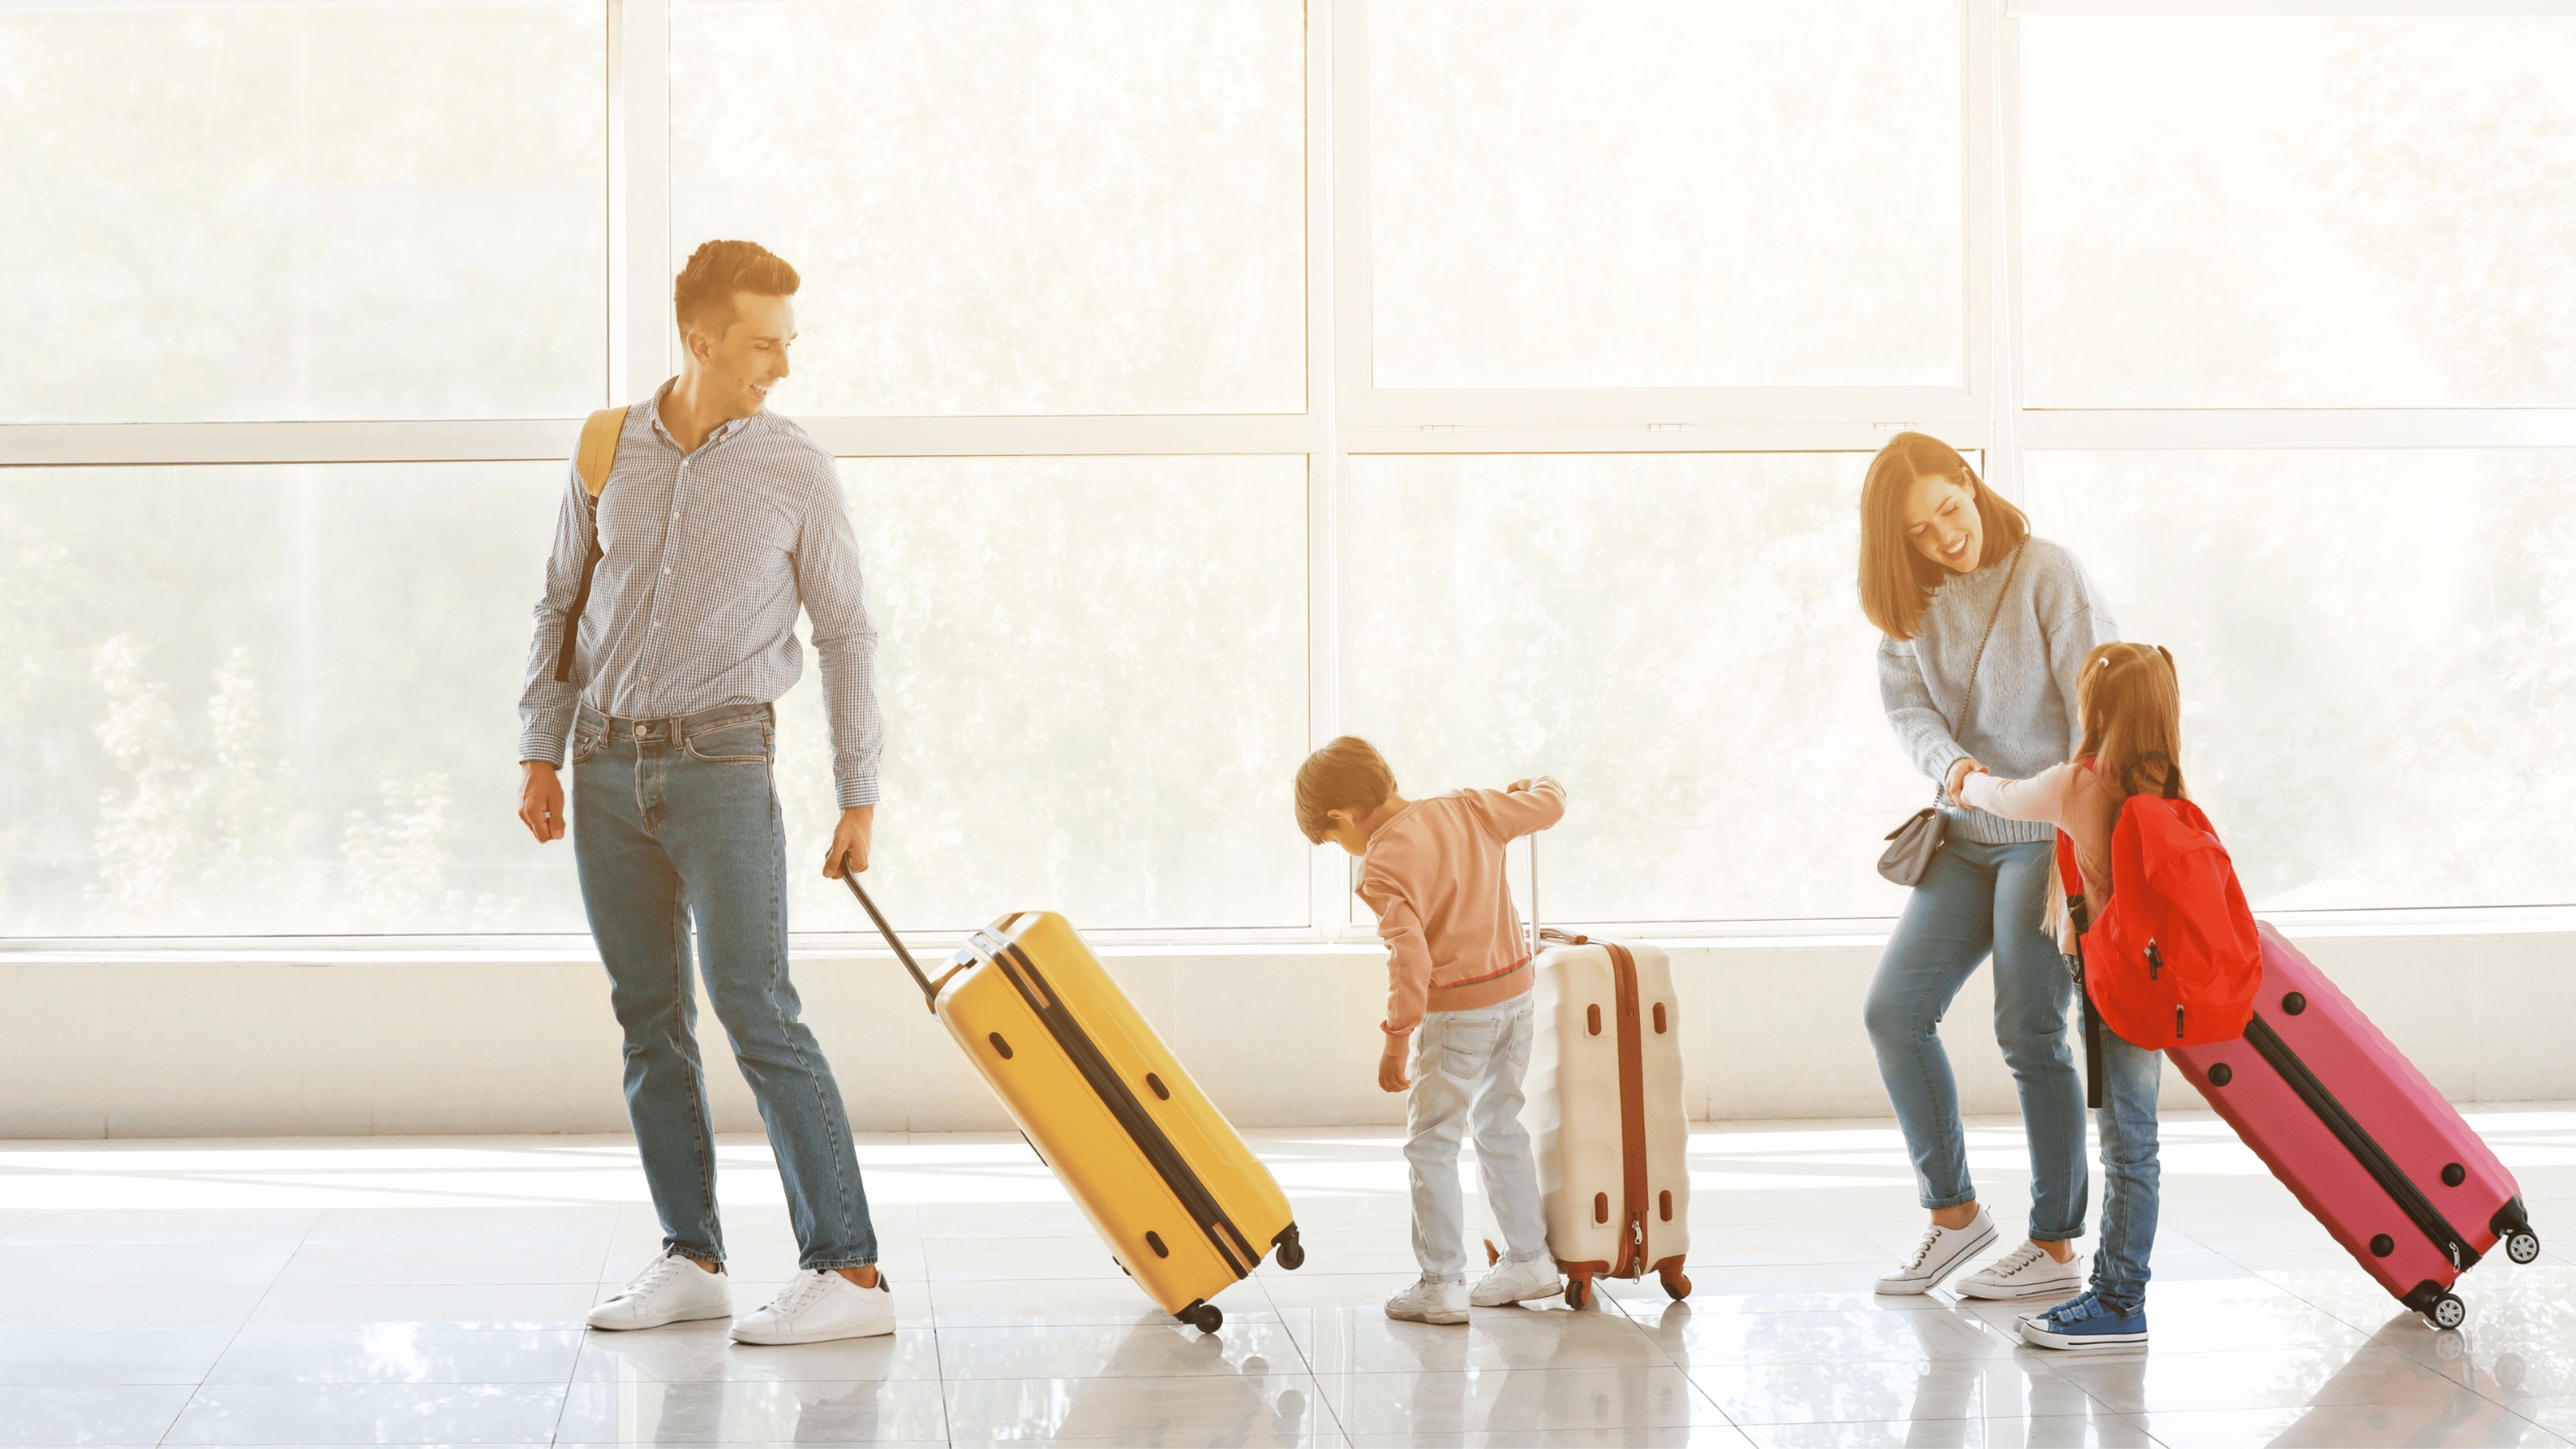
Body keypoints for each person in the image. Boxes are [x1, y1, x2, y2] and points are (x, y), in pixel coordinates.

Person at [514, 240, 893, 1345]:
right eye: (764, 341)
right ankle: (693, 1255)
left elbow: (847, 631)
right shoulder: (605, 445)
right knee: (650, 1021)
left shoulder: (795, 466)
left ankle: (850, 1271)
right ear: (702, 336)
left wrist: (857, 792)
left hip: (727, 762)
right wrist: (541, 749)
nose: (782, 363)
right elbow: (558, 604)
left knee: (755, 1007)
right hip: (602, 764)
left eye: (788, 341)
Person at [1858, 432, 2117, 1300]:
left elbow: (2098, 704)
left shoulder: (2049, 572)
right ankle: (1955, 1218)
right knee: (1894, 1012)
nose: (1946, 537)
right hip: (1964, 830)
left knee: (2028, 1030)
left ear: (1970, 482)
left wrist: (2082, 838)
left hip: (2045, 837)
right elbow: (1908, 711)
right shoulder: (1911, 604)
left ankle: (2053, 1246)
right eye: (1922, 533)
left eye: (1949, 509)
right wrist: (1956, 770)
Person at [1959, 642, 2189, 1349]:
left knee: (2127, 1144)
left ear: (2095, 708)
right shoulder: (2169, 787)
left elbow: (1999, 798)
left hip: (2113, 981)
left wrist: (1963, 778)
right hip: (2159, 979)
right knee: (2136, 1141)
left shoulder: (2078, 783)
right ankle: (2115, 1293)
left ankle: (2119, 1301)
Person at [1296, 736, 1566, 1324]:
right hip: (1517, 998)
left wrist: (1396, 1038)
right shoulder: (1470, 807)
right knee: (1500, 1124)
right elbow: (1549, 805)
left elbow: (1411, 964)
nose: (1344, 850)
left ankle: (1442, 1282)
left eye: (1334, 839)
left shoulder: (1380, 866)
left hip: (1457, 1015)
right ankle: (1530, 1258)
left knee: (1433, 1141)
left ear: (1342, 816)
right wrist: (1536, 783)